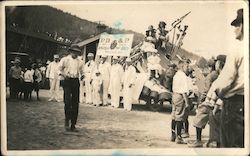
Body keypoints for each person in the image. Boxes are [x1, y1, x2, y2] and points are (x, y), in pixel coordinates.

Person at [206, 8, 244, 148]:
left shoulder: (238, 49)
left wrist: (216, 96)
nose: (234, 29)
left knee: (230, 146)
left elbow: (227, 79)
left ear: (243, 26)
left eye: (237, 25)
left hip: (234, 105)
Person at [188, 55, 226, 147]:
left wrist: (201, 101)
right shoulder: (221, 74)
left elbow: (206, 89)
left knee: (198, 120)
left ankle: (198, 141)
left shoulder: (212, 75)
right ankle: (212, 141)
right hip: (217, 101)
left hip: (209, 100)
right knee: (214, 122)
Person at [58, 44, 83, 132]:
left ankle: (73, 124)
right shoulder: (65, 59)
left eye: (77, 52)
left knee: (75, 103)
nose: (75, 54)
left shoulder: (80, 61)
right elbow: (59, 69)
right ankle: (66, 121)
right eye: (74, 52)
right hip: (67, 81)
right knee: (67, 102)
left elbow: (82, 71)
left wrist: (83, 75)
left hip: (75, 81)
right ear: (71, 51)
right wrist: (64, 75)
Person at [171, 60, 190, 144]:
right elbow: (184, 91)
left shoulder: (176, 75)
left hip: (174, 95)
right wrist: (187, 102)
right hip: (180, 96)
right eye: (186, 67)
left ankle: (173, 135)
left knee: (174, 116)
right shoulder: (183, 76)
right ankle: (178, 137)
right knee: (180, 117)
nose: (187, 68)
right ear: (182, 66)